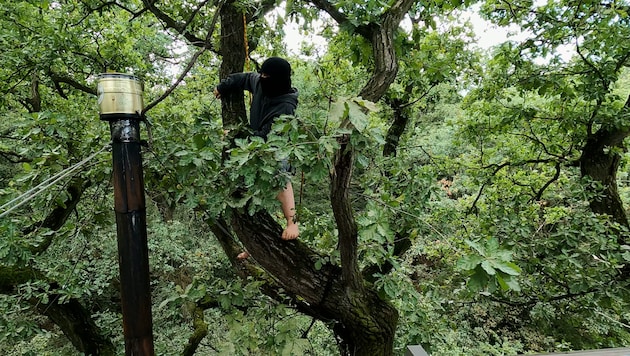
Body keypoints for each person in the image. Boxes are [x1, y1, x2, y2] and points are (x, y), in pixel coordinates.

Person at [214, 57, 300, 249]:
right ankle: (252, 247)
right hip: (252, 146)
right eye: (262, 74)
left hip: (274, 146)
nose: (262, 78)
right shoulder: (261, 82)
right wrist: (223, 87)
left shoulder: (286, 107)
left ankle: (292, 222)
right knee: (248, 189)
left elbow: (265, 137)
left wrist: (235, 135)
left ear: (279, 79)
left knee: (280, 176)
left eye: (267, 76)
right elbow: (243, 78)